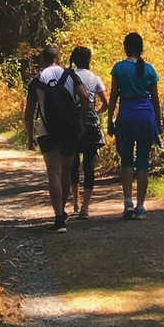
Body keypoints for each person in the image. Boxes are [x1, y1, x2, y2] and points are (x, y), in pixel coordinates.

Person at [24, 45, 89, 231]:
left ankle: (59, 218)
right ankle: (63, 210)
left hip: (47, 131)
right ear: (58, 59)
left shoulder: (37, 81)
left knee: (54, 173)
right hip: (69, 130)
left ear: (43, 61)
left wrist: (30, 138)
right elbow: (85, 97)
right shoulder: (70, 75)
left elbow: (28, 115)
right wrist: (82, 122)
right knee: (66, 171)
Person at [107, 31, 163, 219]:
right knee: (143, 161)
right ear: (141, 49)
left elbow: (114, 95)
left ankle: (128, 202)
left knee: (126, 159)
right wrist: (158, 121)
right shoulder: (149, 69)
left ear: (125, 48)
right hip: (146, 115)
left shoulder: (119, 68)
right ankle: (141, 207)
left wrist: (109, 119)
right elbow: (155, 99)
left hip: (127, 114)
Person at [67, 46, 107, 219]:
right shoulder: (95, 78)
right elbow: (105, 104)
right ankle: (85, 207)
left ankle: (75, 202)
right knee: (89, 166)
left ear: (74, 60)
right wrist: (94, 114)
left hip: (73, 125)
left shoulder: (69, 77)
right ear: (89, 59)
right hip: (91, 126)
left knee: (73, 165)